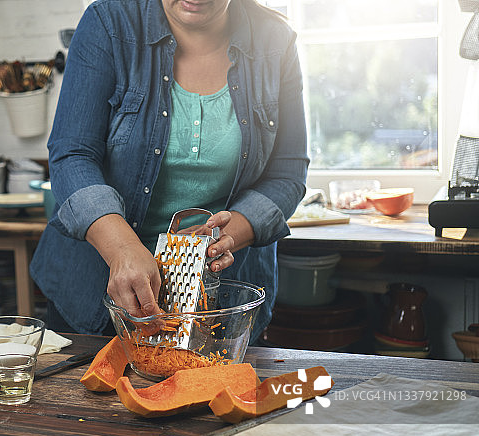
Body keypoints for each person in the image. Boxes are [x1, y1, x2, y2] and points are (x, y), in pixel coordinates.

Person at [30, 0, 309, 339]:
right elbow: (72, 155)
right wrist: (123, 250)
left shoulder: (275, 40)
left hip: (219, 303)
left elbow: (287, 172)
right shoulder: (108, 23)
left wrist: (229, 235)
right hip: (93, 291)